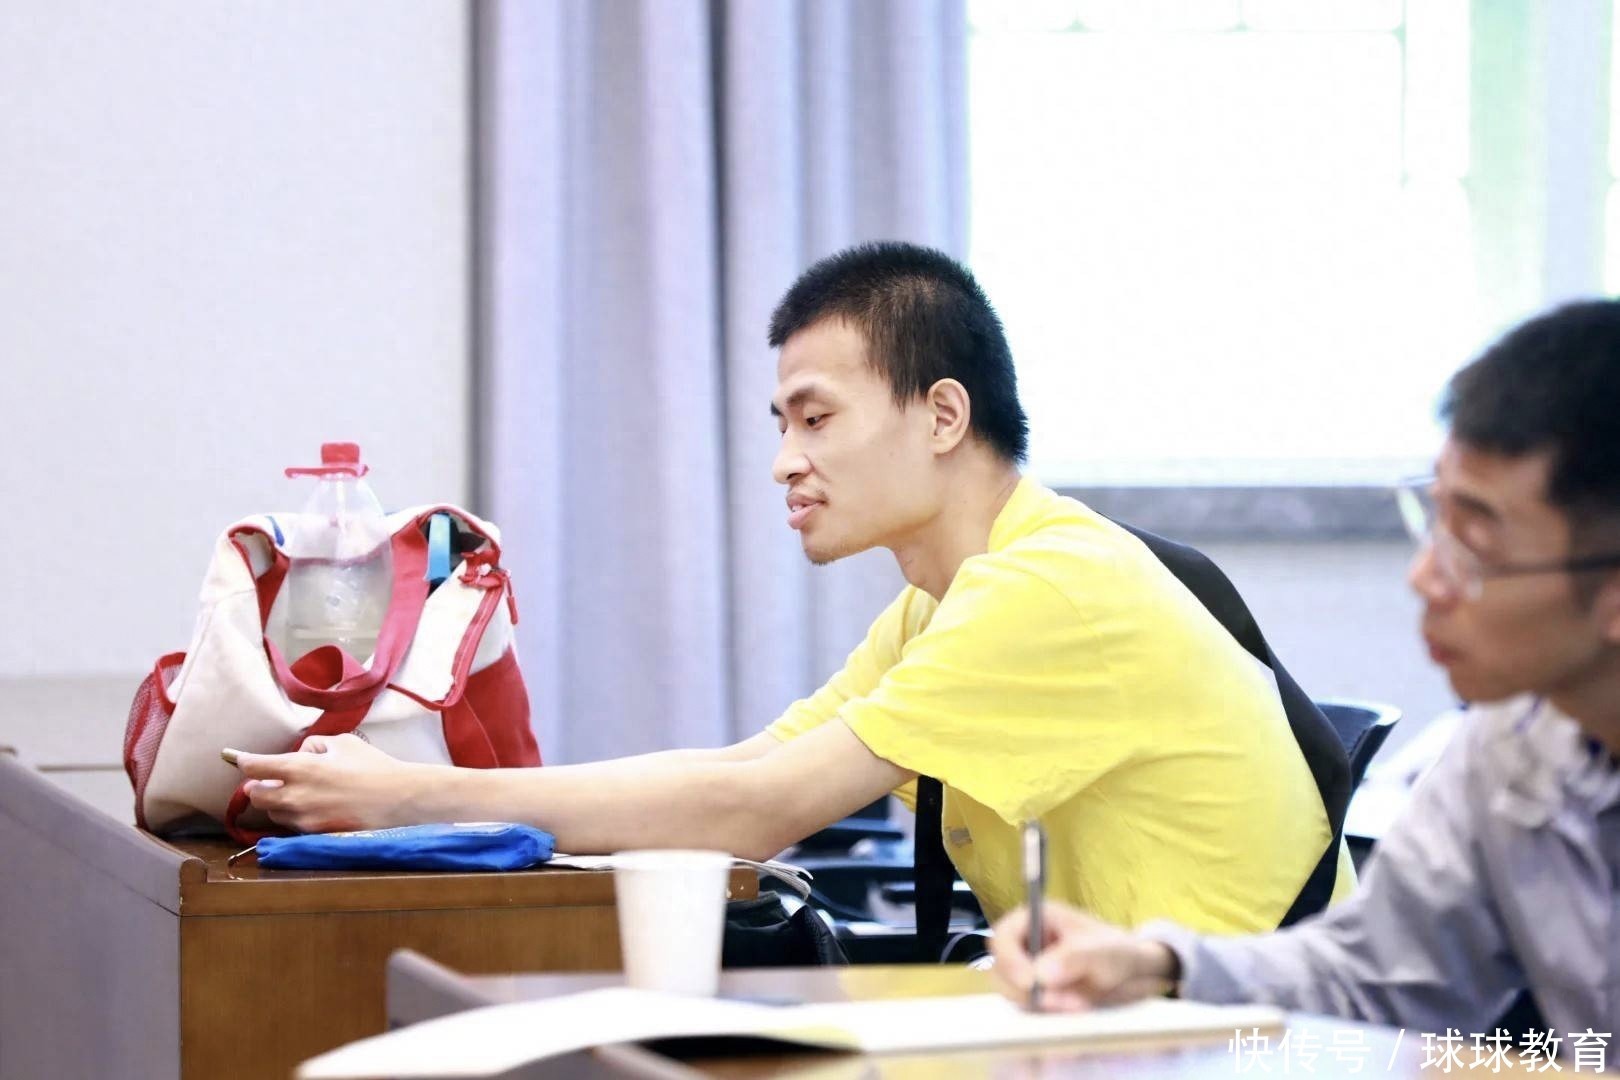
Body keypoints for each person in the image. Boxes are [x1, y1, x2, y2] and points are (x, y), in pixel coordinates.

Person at [239, 241, 1349, 932]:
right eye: (782, 424)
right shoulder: (942, 604)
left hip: (1256, 1041)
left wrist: (414, 799)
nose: (784, 460)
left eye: (816, 418)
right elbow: (748, 771)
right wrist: (418, 797)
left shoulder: (1047, 588)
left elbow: (754, 812)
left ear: (943, 415)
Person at [989, 299, 1620, 1033]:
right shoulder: (1514, 740)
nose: (1425, 577)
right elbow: (1376, 973)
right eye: (1435, 518)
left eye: (1475, 545)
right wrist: (1158, 965)